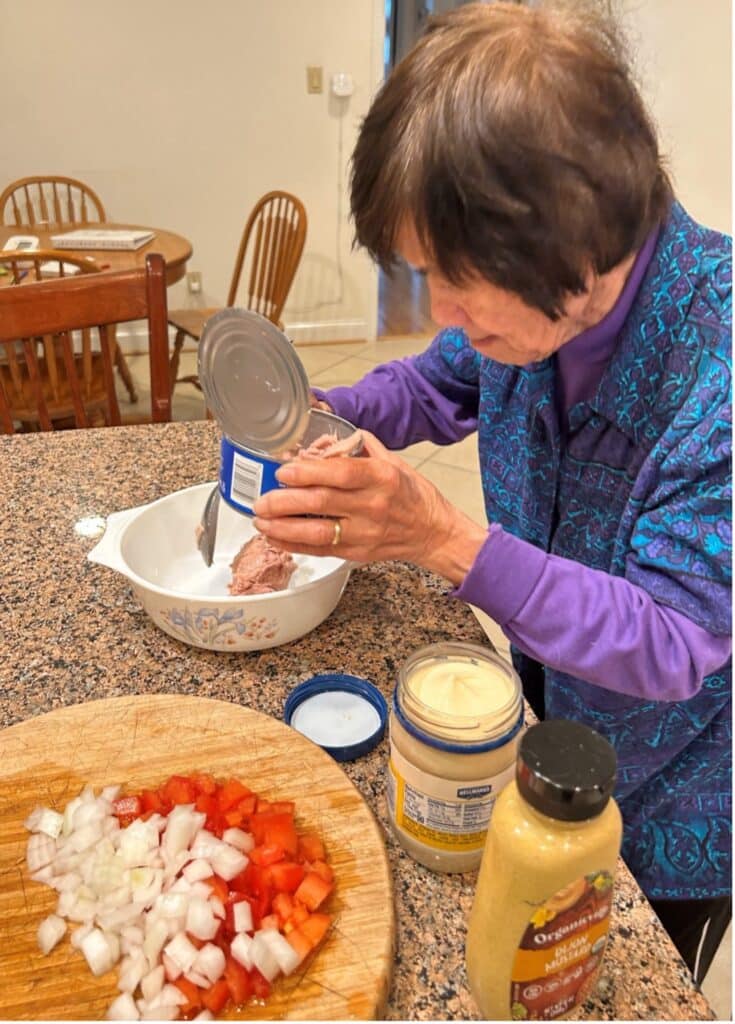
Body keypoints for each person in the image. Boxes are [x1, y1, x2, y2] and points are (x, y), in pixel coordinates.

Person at [253, 0, 732, 985]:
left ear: (582, 239)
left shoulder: (717, 363)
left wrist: (444, 538)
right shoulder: (520, 307)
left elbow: (674, 639)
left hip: (680, 794)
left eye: (460, 279)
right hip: (535, 728)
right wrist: (320, 418)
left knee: (608, 976)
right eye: (427, 273)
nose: (444, 312)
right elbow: (434, 382)